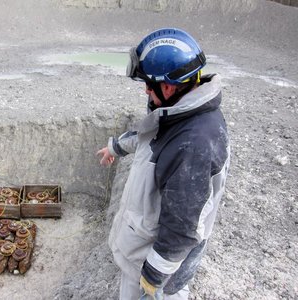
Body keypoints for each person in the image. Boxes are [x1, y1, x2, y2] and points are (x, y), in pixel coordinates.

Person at [97, 28, 230, 300]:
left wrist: (153, 280)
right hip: (145, 259)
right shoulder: (182, 112)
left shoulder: (194, 145)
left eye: (148, 83)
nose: (146, 90)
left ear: (168, 86)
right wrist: (117, 146)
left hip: (157, 273)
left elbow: (182, 228)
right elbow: (152, 138)